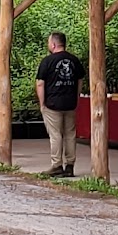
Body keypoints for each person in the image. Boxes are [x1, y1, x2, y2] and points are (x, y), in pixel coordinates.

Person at [34, 31, 84, 177]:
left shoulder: (47, 61)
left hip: (52, 104)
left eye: (49, 42)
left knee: (55, 135)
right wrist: (77, 97)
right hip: (70, 103)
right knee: (70, 134)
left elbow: (40, 84)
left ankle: (56, 165)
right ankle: (70, 165)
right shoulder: (74, 60)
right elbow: (80, 80)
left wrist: (42, 104)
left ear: (53, 44)